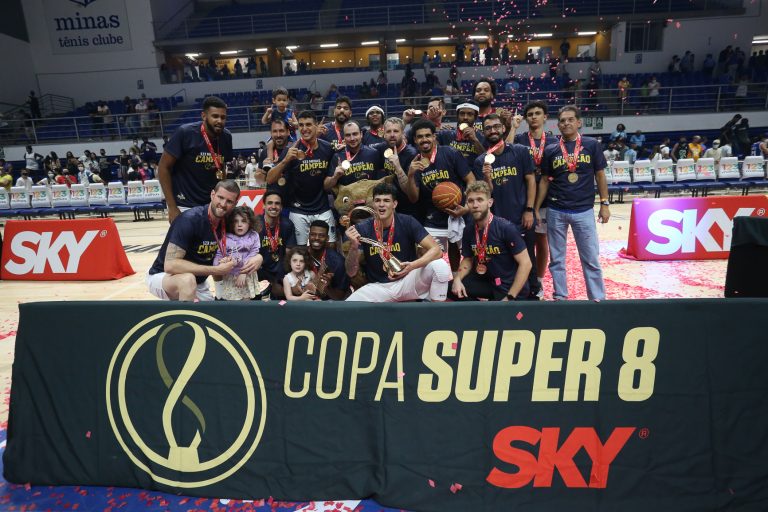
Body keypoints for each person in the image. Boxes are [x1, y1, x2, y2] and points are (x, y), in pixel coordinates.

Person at [536, 105, 610, 301]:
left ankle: (597, 298)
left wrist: (604, 204)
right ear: (558, 125)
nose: (566, 123)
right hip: (556, 210)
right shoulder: (551, 149)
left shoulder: (591, 145)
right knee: (557, 259)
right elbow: (544, 181)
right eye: (562, 120)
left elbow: (600, 175)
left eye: (570, 119)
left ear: (579, 122)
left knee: (591, 258)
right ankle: (560, 296)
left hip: (583, 210)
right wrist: (535, 208)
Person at [147, 180, 260, 301]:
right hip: (164, 276)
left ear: (235, 203)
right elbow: (170, 265)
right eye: (220, 197)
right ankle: (182, 312)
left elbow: (250, 241)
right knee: (187, 280)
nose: (223, 204)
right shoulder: (190, 220)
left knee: (215, 311)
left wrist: (259, 257)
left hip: (198, 283)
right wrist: (215, 270)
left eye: (229, 201)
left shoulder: (228, 222)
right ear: (212, 195)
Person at [345, 181, 451, 302]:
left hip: (408, 281)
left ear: (394, 204)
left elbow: (437, 250)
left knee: (440, 266)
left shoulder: (407, 221)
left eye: (386, 200)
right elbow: (351, 272)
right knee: (348, 308)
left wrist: (412, 266)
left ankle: (437, 311)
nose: (381, 205)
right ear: (373, 204)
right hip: (379, 287)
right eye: (378, 200)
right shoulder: (362, 228)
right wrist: (353, 246)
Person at [476, 113, 538, 299]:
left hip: (521, 217)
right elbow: (487, 194)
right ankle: (506, 296)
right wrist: (487, 177)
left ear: (504, 128)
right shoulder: (480, 161)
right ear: (483, 132)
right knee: (503, 262)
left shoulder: (520, 151)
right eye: (488, 128)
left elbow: (531, 181)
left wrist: (529, 209)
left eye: (496, 126)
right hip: (497, 223)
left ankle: (533, 294)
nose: (493, 131)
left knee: (528, 258)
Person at [405, 118, 474, 262]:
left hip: (458, 214)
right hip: (433, 218)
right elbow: (413, 198)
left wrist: (467, 207)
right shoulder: (414, 163)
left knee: (463, 258)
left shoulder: (450, 153)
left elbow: (471, 180)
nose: (424, 139)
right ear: (415, 140)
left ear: (434, 137)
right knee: (427, 256)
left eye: (427, 135)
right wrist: (410, 175)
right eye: (420, 137)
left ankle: (456, 275)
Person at [451, 181, 532, 301]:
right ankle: (484, 310)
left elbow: (526, 263)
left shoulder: (506, 228)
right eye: (471, 201)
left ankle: (495, 307)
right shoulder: (469, 229)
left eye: (480, 200)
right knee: (452, 288)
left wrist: (510, 297)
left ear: (490, 202)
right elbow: (468, 259)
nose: (475, 205)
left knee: (500, 309)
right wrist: (457, 279)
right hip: (488, 281)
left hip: (508, 286)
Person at [158, 96, 233, 224]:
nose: (219, 121)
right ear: (204, 116)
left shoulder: (226, 137)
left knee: (213, 238)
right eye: (215, 116)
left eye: (223, 117)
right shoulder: (185, 133)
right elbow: (163, 167)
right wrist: (172, 207)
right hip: (184, 205)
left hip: (212, 205)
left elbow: (221, 169)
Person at [266, 111, 337, 245]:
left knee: (330, 245)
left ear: (316, 125)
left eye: (308, 124)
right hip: (298, 209)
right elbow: (270, 179)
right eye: (301, 125)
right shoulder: (291, 150)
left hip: (322, 207)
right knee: (301, 250)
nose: (304, 129)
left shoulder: (328, 148)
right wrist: (285, 160)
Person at [513, 100, 559, 298]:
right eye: (530, 114)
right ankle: (523, 279)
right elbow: (506, 148)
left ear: (545, 117)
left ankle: (538, 280)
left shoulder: (554, 141)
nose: (533, 117)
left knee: (541, 240)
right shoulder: (520, 139)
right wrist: (513, 127)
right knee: (522, 241)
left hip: (547, 198)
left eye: (537, 113)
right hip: (523, 198)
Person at [371, 117, 421, 219]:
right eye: (388, 131)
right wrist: (343, 147)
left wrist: (398, 167)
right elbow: (363, 149)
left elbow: (412, 195)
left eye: (396, 131)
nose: (392, 135)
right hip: (388, 207)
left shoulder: (412, 154)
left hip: (408, 209)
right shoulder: (382, 148)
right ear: (384, 134)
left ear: (403, 133)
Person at [212, 206, 263, 300]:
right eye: (236, 221)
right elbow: (219, 254)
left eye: (243, 221)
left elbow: (253, 253)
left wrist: (244, 273)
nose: (239, 224)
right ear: (231, 223)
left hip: (247, 274)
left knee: (246, 301)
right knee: (231, 302)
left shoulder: (253, 235)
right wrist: (220, 263)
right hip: (231, 276)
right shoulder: (225, 237)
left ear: (250, 222)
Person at [257, 191, 297, 300]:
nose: (273, 206)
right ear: (263, 205)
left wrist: (285, 278)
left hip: (280, 272)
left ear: (281, 207)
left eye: (277, 203)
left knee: (282, 297)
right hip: (260, 271)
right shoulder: (255, 224)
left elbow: (290, 254)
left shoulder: (287, 224)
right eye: (270, 203)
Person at [326, 120, 382, 190]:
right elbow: (326, 186)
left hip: (369, 196)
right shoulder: (337, 157)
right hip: (348, 197)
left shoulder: (373, 153)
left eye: (355, 134)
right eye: (348, 135)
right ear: (344, 137)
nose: (352, 138)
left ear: (361, 134)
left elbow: (380, 180)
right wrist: (335, 177)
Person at [307, 220, 349, 300]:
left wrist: (326, 287)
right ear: (308, 236)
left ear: (327, 238)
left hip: (327, 303)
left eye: (321, 235)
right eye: (313, 234)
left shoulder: (338, 262)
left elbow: (340, 297)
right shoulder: (300, 256)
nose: (316, 238)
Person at [436, 101, 486, 169]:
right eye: (462, 114)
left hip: (474, 174)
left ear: (475, 117)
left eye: (470, 114)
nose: (465, 117)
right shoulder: (445, 134)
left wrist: (475, 140)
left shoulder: (482, 137)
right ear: (457, 116)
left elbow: (486, 160)